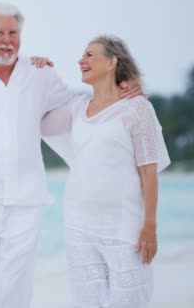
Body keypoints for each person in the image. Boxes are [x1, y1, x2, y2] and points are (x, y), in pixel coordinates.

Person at [0, 3, 141, 308]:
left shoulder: (40, 74)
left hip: (24, 203)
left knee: (15, 297)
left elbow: (80, 108)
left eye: (13, 32)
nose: (7, 39)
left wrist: (123, 86)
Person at [41, 35, 170, 307]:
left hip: (124, 226)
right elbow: (37, 122)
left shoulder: (137, 108)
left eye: (90, 55)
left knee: (131, 300)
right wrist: (40, 73)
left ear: (112, 62)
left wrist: (150, 225)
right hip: (78, 224)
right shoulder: (76, 108)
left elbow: (149, 171)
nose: (81, 60)